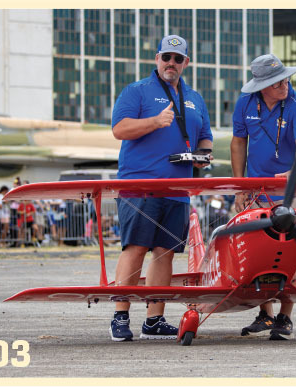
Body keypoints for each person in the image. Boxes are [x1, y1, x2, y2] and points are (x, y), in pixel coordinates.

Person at [110, 34, 213, 342]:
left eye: (178, 59)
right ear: (157, 59)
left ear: (186, 63)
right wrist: (154, 122)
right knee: (135, 248)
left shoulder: (195, 98)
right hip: (140, 185)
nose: (171, 63)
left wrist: (205, 155)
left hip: (177, 189)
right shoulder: (137, 90)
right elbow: (119, 129)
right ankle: (120, 316)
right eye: (166, 57)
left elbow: (205, 135)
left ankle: (154, 320)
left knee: (165, 253)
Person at [230, 53, 296, 340]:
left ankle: (284, 317)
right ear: (261, 85)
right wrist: (241, 186)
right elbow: (238, 142)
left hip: (291, 189)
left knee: (291, 253)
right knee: (253, 253)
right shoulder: (245, 103)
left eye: (287, 79)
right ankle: (264, 313)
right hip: (255, 187)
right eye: (278, 82)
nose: (285, 85)